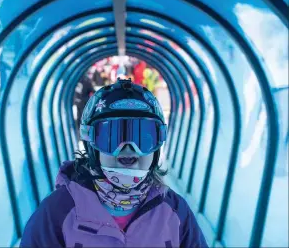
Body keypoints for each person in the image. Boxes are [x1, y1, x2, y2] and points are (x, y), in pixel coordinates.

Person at [20, 78, 208, 247]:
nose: (128, 150)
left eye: (143, 139)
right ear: (92, 146)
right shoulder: (57, 214)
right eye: (111, 138)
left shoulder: (173, 212)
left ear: (157, 148)